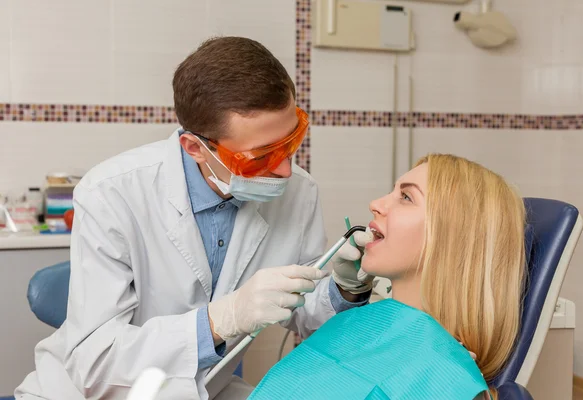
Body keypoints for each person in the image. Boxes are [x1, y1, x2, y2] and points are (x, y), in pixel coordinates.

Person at [15, 37, 373, 400]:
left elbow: (298, 306)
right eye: (259, 158)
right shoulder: (110, 193)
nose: (284, 170)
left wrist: (343, 288)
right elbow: (96, 363)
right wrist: (220, 320)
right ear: (195, 148)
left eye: (290, 143)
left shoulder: (299, 191)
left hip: (206, 388)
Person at [248, 154, 526, 400]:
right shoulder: (361, 322)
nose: (375, 204)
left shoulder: (444, 375)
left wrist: (442, 370)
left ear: (452, 235)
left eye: (406, 197)